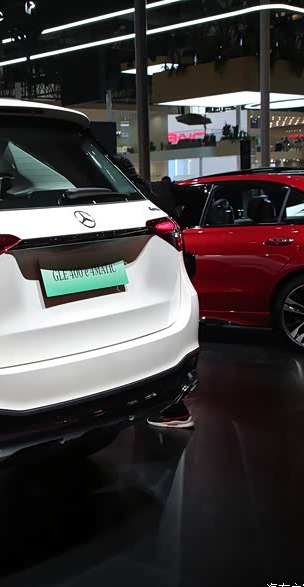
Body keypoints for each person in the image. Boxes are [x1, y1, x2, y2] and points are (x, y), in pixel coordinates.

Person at [111, 155, 195, 429]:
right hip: (157, 281)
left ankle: (168, 407)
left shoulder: (119, 203)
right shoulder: (152, 197)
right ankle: (168, 405)